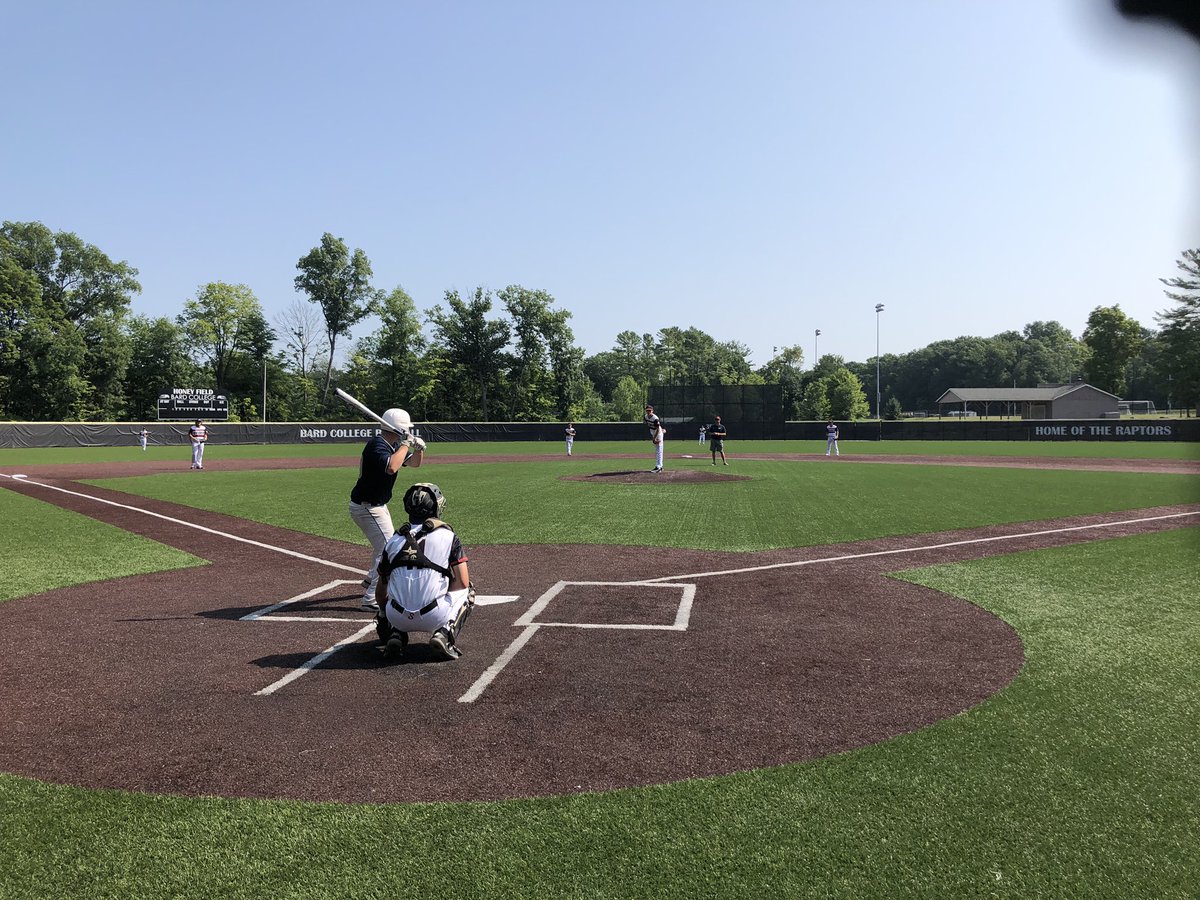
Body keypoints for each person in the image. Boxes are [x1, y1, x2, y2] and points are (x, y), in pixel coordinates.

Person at [374, 482, 473, 662]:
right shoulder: (449, 537)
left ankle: (395, 633)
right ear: (435, 507)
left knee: (391, 588)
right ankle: (444, 634)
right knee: (469, 591)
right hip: (434, 616)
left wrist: (383, 613)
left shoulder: (393, 541)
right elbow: (463, 582)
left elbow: (380, 591)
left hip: (396, 616)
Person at [348, 408, 427, 611]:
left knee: (384, 545)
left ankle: (370, 579)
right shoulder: (377, 446)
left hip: (376, 506)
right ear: (399, 428)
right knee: (389, 550)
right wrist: (406, 444)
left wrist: (418, 450)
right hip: (367, 507)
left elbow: (413, 464)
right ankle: (371, 599)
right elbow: (392, 467)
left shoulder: (392, 446)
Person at [644, 404, 665, 473]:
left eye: (650, 410)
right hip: (654, 433)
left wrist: (654, 438)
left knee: (659, 450)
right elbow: (656, 427)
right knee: (658, 451)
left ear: (652, 411)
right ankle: (659, 466)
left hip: (658, 434)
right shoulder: (646, 417)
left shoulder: (655, 418)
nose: (648, 412)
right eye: (647, 411)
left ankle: (658, 467)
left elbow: (657, 429)